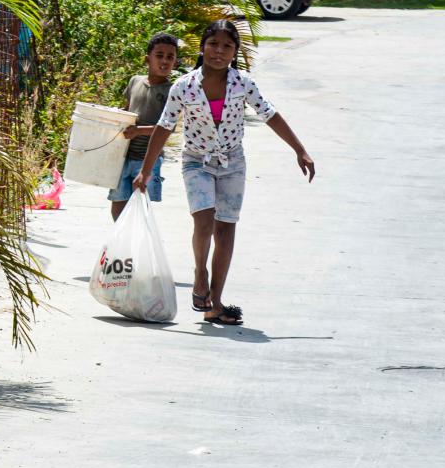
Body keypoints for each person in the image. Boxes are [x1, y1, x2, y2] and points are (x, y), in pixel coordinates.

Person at [132, 19, 315, 325]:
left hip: (232, 164)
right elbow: (165, 127)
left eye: (227, 46)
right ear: (203, 47)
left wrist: (300, 149)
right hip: (196, 161)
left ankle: (214, 304)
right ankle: (199, 274)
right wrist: (146, 171)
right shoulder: (184, 86)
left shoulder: (243, 84)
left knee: (226, 231)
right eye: (213, 44)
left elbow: (269, 114)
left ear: (235, 52)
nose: (219, 51)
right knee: (203, 222)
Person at [109, 33, 179, 222]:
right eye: (160, 55)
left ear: (175, 62)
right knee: (117, 206)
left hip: (148, 159)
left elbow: (168, 128)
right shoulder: (135, 81)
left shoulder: (171, 91)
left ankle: (138, 248)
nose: (164, 61)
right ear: (147, 59)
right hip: (124, 155)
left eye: (170, 57)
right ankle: (122, 249)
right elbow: (127, 109)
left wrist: (139, 131)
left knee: (140, 207)